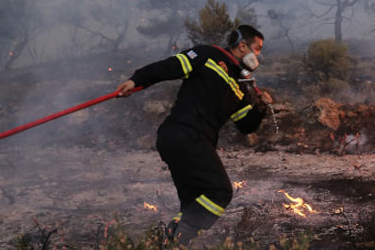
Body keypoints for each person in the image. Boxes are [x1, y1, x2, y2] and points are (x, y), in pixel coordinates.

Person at [116, 25, 272, 246]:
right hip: (183, 133)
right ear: (242, 45)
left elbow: (246, 126)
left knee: (193, 205)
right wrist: (136, 79)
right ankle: (174, 240)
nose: (258, 55)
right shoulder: (209, 54)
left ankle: (168, 243)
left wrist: (261, 108)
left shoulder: (240, 86)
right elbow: (170, 67)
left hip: (192, 140)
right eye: (256, 49)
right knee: (220, 192)